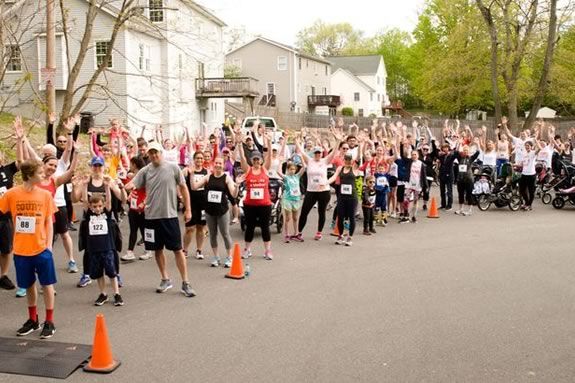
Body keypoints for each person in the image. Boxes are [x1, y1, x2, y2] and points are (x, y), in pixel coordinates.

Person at [126, 142, 196, 297]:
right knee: (157, 250)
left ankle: (185, 282)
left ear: (161, 152)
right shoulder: (145, 171)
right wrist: (122, 186)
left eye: (156, 152)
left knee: (177, 250)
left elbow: (184, 189)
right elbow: (133, 184)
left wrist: (188, 209)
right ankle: (165, 279)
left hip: (169, 216)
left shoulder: (173, 168)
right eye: (151, 153)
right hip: (151, 217)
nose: (154, 155)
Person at [0, 160, 58, 338]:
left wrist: (48, 245)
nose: (44, 175)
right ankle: (33, 320)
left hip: (41, 248)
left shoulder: (45, 195)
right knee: (29, 285)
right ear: (30, 175)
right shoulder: (11, 194)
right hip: (20, 250)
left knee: (47, 285)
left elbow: (49, 221)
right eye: (40, 173)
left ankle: (49, 321)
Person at [294, 129, 342, 241]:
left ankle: (319, 232)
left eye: (319, 153)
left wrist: (338, 141)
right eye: (316, 153)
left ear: (321, 153)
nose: (317, 155)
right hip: (311, 191)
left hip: (323, 191)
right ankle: (299, 233)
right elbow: (301, 151)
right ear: (314, 153)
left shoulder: (325, 161)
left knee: (321, 212)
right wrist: (296, 140)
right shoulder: (309, 160)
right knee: (304, 211)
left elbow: (334, 152)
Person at [191, 157, 239, 267]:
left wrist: (237, 186)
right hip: (209, 211)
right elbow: (194, 187)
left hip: (222, 211)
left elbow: (233, 195)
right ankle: (216, 257)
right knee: (213, 235)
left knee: (225, 234)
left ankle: (229, 257)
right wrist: (192, 173)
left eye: (220, 163)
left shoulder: (227, 178)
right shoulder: (208, 177)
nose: (217, 165)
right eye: (216, 163)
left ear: (223, 165)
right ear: (214, 164)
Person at [82, 186, 124, 306]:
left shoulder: (107, 213)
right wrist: (85, 185)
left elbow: (109, 200)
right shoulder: (89, 214)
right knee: (98, 273)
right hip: (94, 250)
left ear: (104, 206)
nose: (98, 209)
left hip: (107, 249)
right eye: (94, 207)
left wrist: (106, 186)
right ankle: (103, 294)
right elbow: (85, 200)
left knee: (112, 272)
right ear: (90, 207)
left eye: (100, 206)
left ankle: (117, 293)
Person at [237, 131, 274, 260]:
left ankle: (267, 251)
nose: (257, 161)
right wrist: (239, 144)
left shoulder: (265, 169)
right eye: (255, 159)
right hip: (250, 205)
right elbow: (242, 158)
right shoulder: (248, 170)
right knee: (250, 227)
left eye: (258, 159)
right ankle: (247, 249)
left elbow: (269, 157)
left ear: (261, 160)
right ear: (252, 160)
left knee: (265, 228)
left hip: (264, 205)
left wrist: (268, 141)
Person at [0, 117, 24, 291]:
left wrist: (19, 139)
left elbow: (21, 163)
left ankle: (4, 275)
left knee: (7, 248)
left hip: (6, 216)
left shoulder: (7, 169)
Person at [121, 156, 150, 262]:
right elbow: (131, 188)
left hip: (141, 208)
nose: (129, 166)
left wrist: (144, 203)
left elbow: (149, 192)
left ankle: (148, 250)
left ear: (134, 164)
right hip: (133, 207)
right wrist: (130, 196)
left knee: (143, 230)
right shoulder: (135, 176)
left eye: (131, 163)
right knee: (133, 230)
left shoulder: (144, 176)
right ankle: (130, 252)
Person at [328, 153, 360, 246]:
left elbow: (359, 158)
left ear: (352, 160)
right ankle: (341, 235)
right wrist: (326, 182)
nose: (347, 161)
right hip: (342, 196)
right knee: (340, 216)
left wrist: (362, 145)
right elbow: (334, 177)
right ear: (344, 159)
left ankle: (350, 237)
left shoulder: (354, 168)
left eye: (349, 159)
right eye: (346, 159)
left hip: (352, 197)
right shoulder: (340, 168)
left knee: (351, 217)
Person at [183, 152, 208, 260]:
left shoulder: (207, 172)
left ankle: (199, 250)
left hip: (203, 204)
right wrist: (180, 196)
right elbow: (180, 184)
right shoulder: (187, 171)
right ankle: (185, 250)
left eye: (201, 158)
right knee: (189, 228)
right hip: (190, 203)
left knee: (200, 228)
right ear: (194, 159)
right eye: (197, 158)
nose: (199, 160)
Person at [279, 160, 305, 242]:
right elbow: (278, 172)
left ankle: (296, 234)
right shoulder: (286, 177)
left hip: (296, 199)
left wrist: (301, 157)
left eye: (294, 169)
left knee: (295, 218)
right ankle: (287, 234)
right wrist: (280, 161)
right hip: (288, 200)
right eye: (290, 169)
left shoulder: (297, 176)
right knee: (288, 218)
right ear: (287, 169)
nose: (292, 171)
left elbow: (304, 168)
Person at [453, 144, 480, 216]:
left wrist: (477, 144)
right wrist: (459, 143)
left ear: (469, 152)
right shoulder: (460, 158)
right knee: (460, 194)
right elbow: (455, 152)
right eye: (464, 150)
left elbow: (477, 153)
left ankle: (469, 210)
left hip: (469, 179)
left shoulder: (470, 158)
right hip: (460, 179)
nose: (465, 152)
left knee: (469, 195)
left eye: (467, 150)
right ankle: (460, 209)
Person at [519, 140, 540, 210]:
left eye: (528, 146)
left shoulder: (533, 153)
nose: (527, 147)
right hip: (524, 174)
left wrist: (536, 141)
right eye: (526, 145)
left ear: (531, 147)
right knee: (521, 190)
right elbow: (522, 164)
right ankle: (527, 203)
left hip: (531, 175)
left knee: (531, 191)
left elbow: (539, 149)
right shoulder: (524, 154)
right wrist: (514, 165)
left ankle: (529, 205)